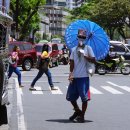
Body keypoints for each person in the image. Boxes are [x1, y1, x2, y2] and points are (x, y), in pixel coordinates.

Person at [66, 29, 96, 123]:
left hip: (83, 77)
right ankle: (77, 111)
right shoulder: (74, 49)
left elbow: (94, 60)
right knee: (70, 97)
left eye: (83, 37)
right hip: (75, 77)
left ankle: (82, 116)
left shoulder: (88, 48)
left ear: (86, 38)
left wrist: (86, 56)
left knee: (84, 98)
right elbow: (71, 63)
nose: (81, 39)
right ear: (77, 37)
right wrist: (71, 74)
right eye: (80, 37)